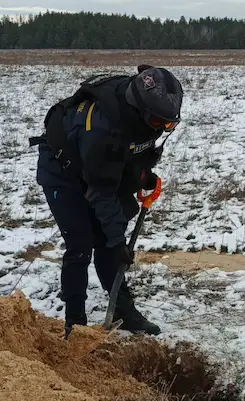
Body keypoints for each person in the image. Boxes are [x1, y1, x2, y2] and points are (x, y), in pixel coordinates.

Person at [28, 65, 183, 336]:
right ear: (139, 109)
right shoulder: (103, 131)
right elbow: (101, 191)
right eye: (160, 123)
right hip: (63, 172)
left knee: (107, 241)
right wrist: (118, 241)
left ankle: (124, 310)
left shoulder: (145, 117)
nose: (164, 128)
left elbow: (135, 152)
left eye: (170, 123)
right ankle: (75, 325)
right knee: (81, 245)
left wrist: (144, 176)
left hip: (97, 165)